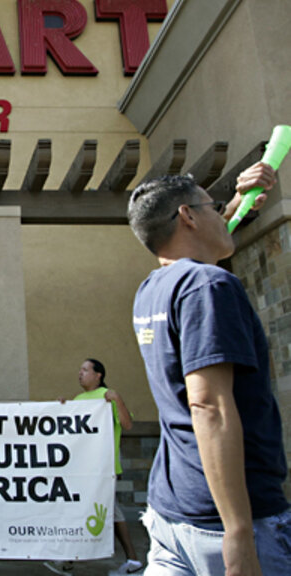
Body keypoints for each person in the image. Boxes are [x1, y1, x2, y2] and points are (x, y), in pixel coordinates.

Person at [127, 163, 290, 575]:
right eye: (213, 207)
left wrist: (236, 204)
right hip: (227, 520)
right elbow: (209, 407)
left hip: (170, 512)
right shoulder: (209, 286)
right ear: (187, 216)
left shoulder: (152, 290)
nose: (223, 214)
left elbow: (197, 247)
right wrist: (238, 532)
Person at [44, 359, 143, 576]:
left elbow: (127, 424)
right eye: (79, 370)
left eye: (85, 370)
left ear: (98, 375)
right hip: (83, 470)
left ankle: (131, 560)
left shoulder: (107, 396)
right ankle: (70, 558)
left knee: (110, 513)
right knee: (89, 511)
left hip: (104, 469)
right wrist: (61, 407)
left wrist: (117, 399)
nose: (80, 373)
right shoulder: (79, 400)